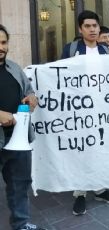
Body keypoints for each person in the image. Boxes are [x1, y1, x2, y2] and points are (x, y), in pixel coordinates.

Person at [61, 10, 109, 216]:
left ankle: (99, 188)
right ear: (80, 29)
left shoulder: (105, 50)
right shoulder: (71, 49)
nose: (92, 29)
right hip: (79, 109)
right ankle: (80, 193)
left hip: (101, 108)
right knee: (81, 149)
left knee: (99, 147)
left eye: (95, 26)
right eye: (87, 26)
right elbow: (61, 78)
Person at [0, 24, 46, 230]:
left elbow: (29, 90)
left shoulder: (14, 67)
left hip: (18, 139)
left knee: (20, 185)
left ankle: (21, 224)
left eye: (3, 42)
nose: (1, 47)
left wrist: (32, 98)